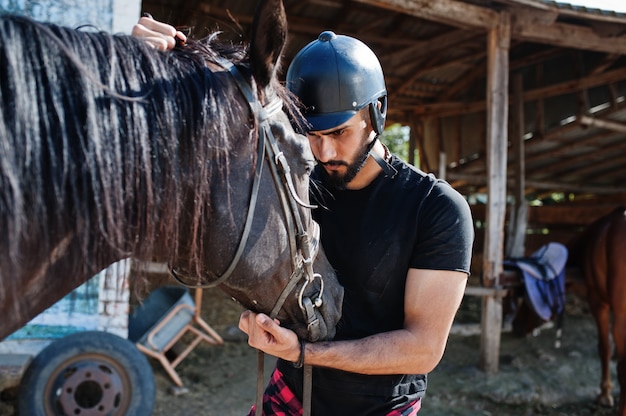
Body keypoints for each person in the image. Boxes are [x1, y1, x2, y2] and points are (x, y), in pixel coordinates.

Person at [133, 16, 474, 416]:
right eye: (312, 134)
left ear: (377, 111)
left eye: (339, 133)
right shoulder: (298, 179)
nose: (324, 153)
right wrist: (173, 62)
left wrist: (305, 352)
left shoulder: (436, 208)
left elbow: (422, 349)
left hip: (381, 409)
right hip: (291, 394)